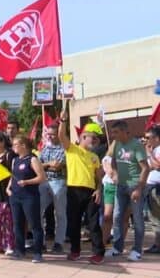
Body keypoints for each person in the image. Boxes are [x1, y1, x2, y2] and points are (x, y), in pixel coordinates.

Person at [58, 110, 106, 264]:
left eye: (97, 139)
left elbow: (99, 176)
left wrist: (99, 189)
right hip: (73, 191)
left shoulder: (94, 156)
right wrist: (62, 120)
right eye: (93, 138)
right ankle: (75, 251)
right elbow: (61, 136)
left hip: (91, 192)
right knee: (74, 222)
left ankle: (98, 253)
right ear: (83, 137)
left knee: (93, 224)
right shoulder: (72, 149)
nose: (95, 141)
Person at [106, 120, 150, 261]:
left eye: (116, 132)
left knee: (137, 219)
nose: (113, 135)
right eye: (112, 132)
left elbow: (145, 168)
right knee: (117, 216)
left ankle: (137, 250)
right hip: (121, 186)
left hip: (134, 186)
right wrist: (114, 172)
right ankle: (117, 248)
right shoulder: (117, 144)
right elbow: (112, 161)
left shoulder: (136, 146)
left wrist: (138, 188)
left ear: (125, 131)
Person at [6, 136, 46, 263]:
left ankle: (38, 253)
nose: (13, 147)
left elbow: (42, 177)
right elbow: (13, 176)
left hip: (29, 196)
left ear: (23, 145)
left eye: (15, 144)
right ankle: (19, 250)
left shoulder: (32, 159)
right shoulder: (15, 160)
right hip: (15, 196)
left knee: (34, 224)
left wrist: (27, 182)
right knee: (17, 224)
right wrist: (8, 188)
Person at [38, 123, 67, 253]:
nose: (49, 136)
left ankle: (59, 242)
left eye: (52, 134)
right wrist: (49, 164)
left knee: (60, 213)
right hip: (44, 182)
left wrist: (46, 165)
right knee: (38, 211)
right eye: (48, 134)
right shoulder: (45, 148)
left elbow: (58, 166)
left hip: (59, 182)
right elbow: (38, 165)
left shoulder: (64, 148)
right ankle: (41, 242)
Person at [144, 126, 160, 254]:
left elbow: (157, 165)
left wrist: (149, 154)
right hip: (152, 188)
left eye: (148, 137)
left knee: (156, 218)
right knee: (154, 218)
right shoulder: (155, 150)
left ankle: (158, 245)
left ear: (157, 138)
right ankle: (157, 244)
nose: (146, 140)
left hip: (157, 188)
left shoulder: (158, 150)